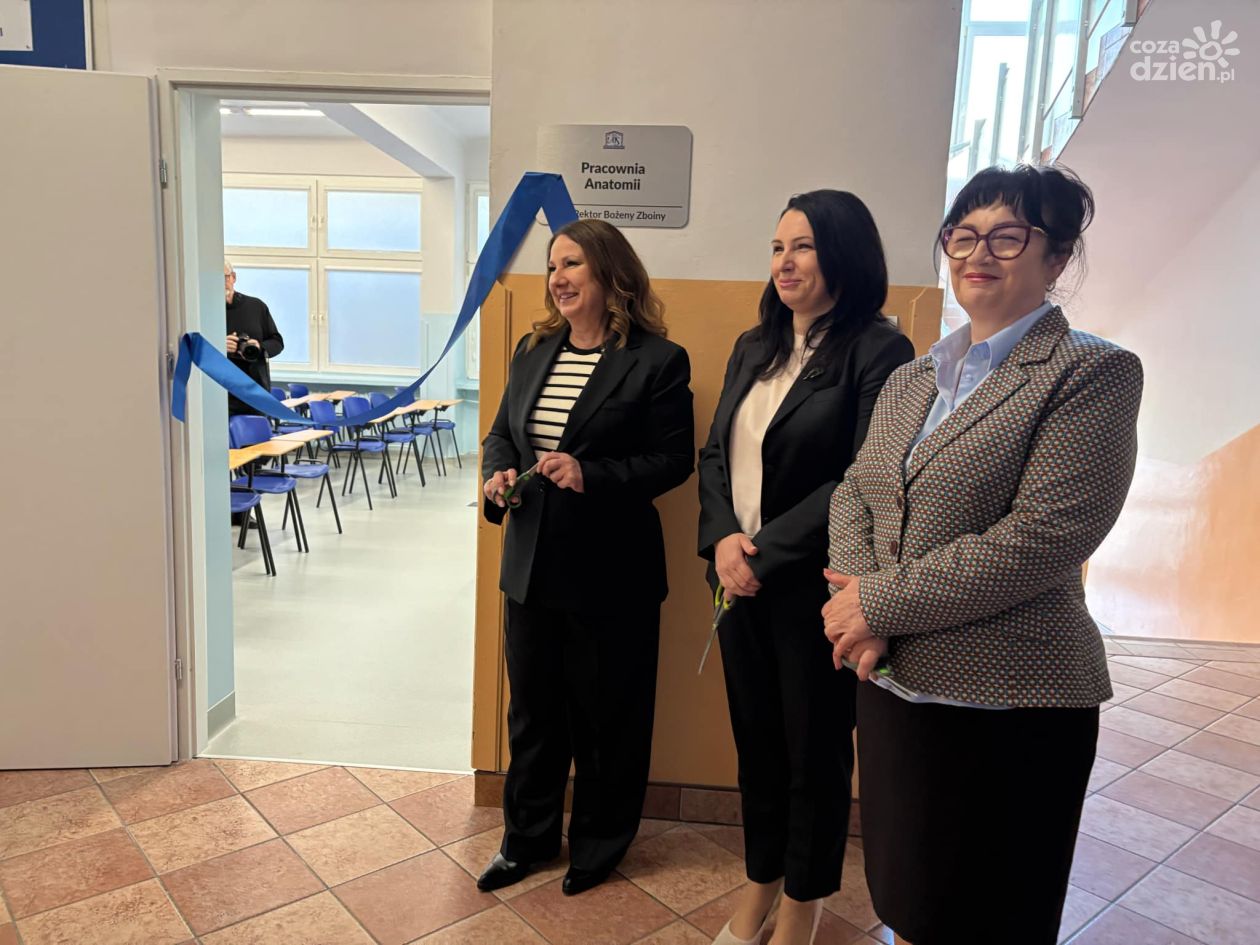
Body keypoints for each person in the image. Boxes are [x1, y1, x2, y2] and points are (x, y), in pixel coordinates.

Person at [823, 164, 1143, 945]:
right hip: (893, 684)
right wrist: (858, 602)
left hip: (1010, 703)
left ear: (1057, 255)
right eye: (963, 235)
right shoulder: (912, 378)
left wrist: (876, 602)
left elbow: (1044, 536)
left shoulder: (1091, 372)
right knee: (908, 903)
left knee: (992, 919)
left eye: (1008, 236)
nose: (978, 253)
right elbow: (856, 490)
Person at [697, 191, 914, 945]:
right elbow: (714, 453)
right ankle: (760, 880)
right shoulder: (753, 346)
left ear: (844, 255)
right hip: (736, 583)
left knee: (813, 756)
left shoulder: (879, 352)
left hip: (816, 592)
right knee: (756, 746)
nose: (784, 263)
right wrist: (722, 541)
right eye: (777, 247)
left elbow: (863, 474)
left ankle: (803, 900)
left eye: (803, 247)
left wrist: (762, 550)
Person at [478, 219, 694, 897]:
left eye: (572, 264)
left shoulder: (659, 360)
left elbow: (673, 460)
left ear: (610, 273)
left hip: (612, 574)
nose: (558, 278)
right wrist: (495, 476)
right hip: (531, 567)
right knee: (533, 717)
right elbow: (500, 434)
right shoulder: (532, 348)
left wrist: (589, 474)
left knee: (607, 719)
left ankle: (599, 844)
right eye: (552, 266)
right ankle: (526, 840)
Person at [224, 259, 284, 415]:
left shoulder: (256, 306)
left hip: (257, 390)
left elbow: (277, 342)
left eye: (225, 277)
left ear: (233, 277)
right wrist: (220, 345)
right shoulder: (203, 311)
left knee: (259, 430)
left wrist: (259, 347)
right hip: (221, 393)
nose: (221, 283)